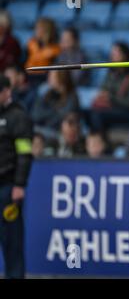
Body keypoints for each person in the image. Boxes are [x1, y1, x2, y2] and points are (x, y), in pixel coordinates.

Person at [0, 74, 33, 279]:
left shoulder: (18, 116)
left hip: (7, 187)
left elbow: (24, 153)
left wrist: (19, 184)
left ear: (6, 92)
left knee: (12, 243)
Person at [89, 42, 129, 132]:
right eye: (112, 53)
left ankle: (99, 143)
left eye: (116, 53)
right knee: (86, 113)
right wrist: (102, 95)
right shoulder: (111, 73)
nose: (112, 55)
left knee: (97, 115)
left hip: (126, 112)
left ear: (125, 55)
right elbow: (104, 89)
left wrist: (111, 98)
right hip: (110, 109)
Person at [32, 70, 79, 140]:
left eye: (51, 76)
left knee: (33, 130)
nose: (48, 78)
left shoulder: (72, 96)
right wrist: (53, 112)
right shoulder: (48, 93)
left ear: (61, 77)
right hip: (45, 129)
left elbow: (64, 118)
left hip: (60, 133)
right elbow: (35, 115)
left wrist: (49, 114)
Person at [24, 18, 61, 86]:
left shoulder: (55, 48)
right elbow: (23, 61)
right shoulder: (31, 43)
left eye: (39, 28)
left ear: (46, 30)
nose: (36, 31)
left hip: (44, 79)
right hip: (28, 77)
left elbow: (54, 68)